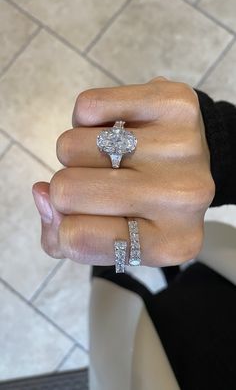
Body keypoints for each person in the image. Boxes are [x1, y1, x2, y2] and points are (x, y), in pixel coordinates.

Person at [32, 77, 236, 389]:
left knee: (112, 275)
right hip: (217, 291)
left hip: (152, 358)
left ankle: (111, 262)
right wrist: (215, 150)